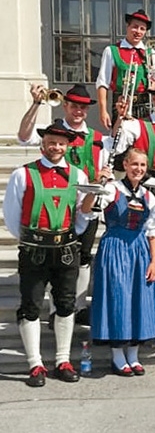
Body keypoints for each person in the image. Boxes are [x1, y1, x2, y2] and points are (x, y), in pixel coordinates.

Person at [3, 123, 91, 386]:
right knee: (30, 304)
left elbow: (81, 214)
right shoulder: (23, 174)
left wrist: (70, 235)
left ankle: (62, 360)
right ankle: (35, 364)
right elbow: (11, 213)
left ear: (67, 146)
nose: (56, 147)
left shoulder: (78, 175)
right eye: (51, 142)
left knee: (65, 303)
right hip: (34, 249)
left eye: (61, 143)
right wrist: (31, 239)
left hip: (65, 250)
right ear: (43, 144)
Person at [17, 84, 109, 326]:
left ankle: (77, 307)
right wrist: (36, 104)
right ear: (65, 105)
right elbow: (24, 136)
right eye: (74, 105)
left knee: (84, 257)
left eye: (82, 107)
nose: (78, 110)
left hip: (86, 206)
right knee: (53, 259)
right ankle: (54, 309)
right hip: (54, 205)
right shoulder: (54, 134)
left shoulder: (98, 138)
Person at [82, 148, 155, 377]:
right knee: (118, 298)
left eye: (142, 165)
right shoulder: (112, 189)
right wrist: (97, 182)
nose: (138, 169)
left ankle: (134, 354)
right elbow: (86, 209)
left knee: (139, 299)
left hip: (140, 250)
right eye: (134, 164)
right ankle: (118, 356)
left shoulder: (148, 196)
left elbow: (152, 231)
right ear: (125, 165)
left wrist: (154, 262)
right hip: (115, 247)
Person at [96, 9, 155, 129]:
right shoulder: (111, 50)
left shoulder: (151, 53)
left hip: (145, 105)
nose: (138, 32)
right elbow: (102, 83)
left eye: (142, 29)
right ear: (127, 26)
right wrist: (103, 111)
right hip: (121, 103)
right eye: (135, 27)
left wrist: (154, 85)